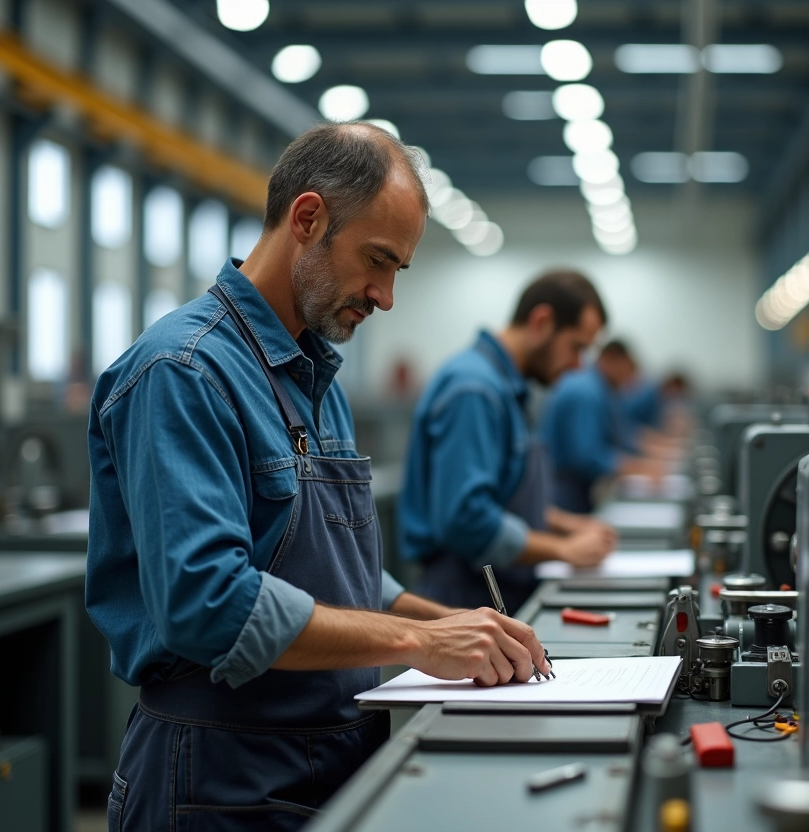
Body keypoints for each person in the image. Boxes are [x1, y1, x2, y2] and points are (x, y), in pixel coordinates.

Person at [86, 123, 550, 831]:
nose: (387, 295)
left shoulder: (318, 378)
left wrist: (454, 621)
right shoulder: (183, 373)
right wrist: (420, 645)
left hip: (331, 760)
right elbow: (208, 603)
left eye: (399, 270)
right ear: (308, 220)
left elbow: (341, 576)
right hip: (220, 780)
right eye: (377, 260)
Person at [399, 270, 619, 612]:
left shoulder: (505, 386)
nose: (578, 367)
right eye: (576, 347)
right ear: (541, 322)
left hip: (492, 590)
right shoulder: (474, 389)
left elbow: (503, 500)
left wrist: (563, 523)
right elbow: (466, 518)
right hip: (464, 599)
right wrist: (562, 549)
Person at [540, 339, 674, 513]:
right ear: (610, 360)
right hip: (563, 494)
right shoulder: (585, 392)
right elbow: (587, 456)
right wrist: (638, 468)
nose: (629, 378)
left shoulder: (602, 389)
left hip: (576, 490)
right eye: (628, 369)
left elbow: (621, 433)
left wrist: (651, 455)